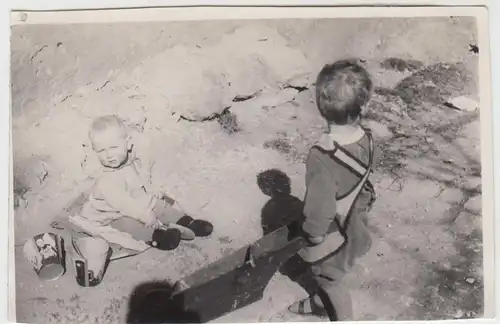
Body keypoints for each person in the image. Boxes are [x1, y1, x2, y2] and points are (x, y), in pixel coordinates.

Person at [287, 60, 380, 321]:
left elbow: (320, 207)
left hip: (336, 233)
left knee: (329, 278)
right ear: (365, 106)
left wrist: (314, 235)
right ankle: (320, 301)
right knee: (334, 271)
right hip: (356, 221)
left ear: (320, 108)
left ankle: (338, 313)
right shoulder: (369, 139)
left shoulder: (322, 157)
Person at [75, 115, 213, 250]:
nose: (109, 155)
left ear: (128, 144)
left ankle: (186, 222)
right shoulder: (106, 181)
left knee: (159, 205)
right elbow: (123, 204)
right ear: (95, 151)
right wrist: (144, 214)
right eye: (101, 150)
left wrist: (151, 190)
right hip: (114, 213)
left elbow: (142, 177)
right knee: (129, 226)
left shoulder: (129, 161)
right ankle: (159, 237)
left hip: (137, 200)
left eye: (113, 147)